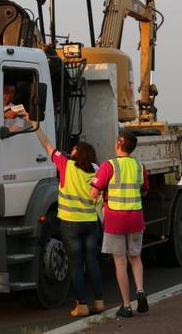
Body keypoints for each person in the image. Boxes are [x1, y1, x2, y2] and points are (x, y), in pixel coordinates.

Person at [32, 124, 104, 317]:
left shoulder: (66, 166)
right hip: (90, 222)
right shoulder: (95, 170)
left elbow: (47, 145)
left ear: (78, 154)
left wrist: (36, 127)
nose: (71, 150)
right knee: (93, 262)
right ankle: (99, 301)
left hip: (70, 224)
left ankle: (81, 304)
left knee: (76, 264)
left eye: (74, 149)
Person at [89, 131, 149, 318]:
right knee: (135, 257)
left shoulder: (109, 165)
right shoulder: (139, 166)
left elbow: (93, 193)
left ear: (118, 144)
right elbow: (145, 190)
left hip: (115, 219)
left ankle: (126, 306)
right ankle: (140, 290)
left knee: (120, 263)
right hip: (136, 217)